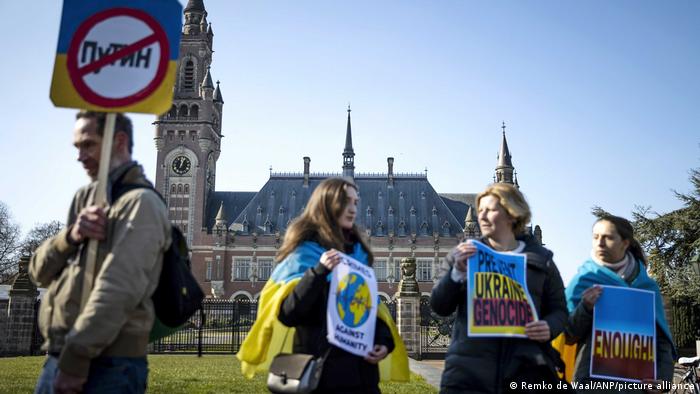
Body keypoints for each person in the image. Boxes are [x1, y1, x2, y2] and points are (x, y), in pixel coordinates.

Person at [29, 111, 171, 394]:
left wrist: (75, 362)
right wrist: (70, 236)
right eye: (77, 147)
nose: (79, 156)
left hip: (107, 364)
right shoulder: (86, 197)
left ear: (118, 141)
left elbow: (118, 289)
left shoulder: (142, 203)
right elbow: (38, 273)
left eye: (88, 145)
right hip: (59, 356)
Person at [237, 177, 409, 393]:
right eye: (346, 201)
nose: (353, 209)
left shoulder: (358, 256)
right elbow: (288, 313)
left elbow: (369, 311)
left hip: (362, 375)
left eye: (355, 202)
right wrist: (319, 272)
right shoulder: (304, 254)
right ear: (327, 204)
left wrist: (384, 342)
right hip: (319, 375)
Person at [431, 183, 568, 393]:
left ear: (513, 214)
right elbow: (440, 306)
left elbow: (560, 311)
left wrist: (549, 326)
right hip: (468, 375)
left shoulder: (542, 261)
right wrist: (456, 273)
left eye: (491, 210)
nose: (483, 216)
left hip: (525, 373)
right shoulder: (464, 255)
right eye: (481, 211)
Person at [565, 215, 675, 393]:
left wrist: (663, 381)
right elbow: (568, 334)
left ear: (625, 243)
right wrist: (585, 308)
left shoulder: (647, 287)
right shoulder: (583, 281)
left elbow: (662, 341)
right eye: (595, 237)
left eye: (607, 237)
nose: (600, 243)